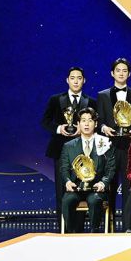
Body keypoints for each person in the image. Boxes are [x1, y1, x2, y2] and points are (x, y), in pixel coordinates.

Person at [41, 67, 96, 223]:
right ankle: (63, 227)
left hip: (84, 151)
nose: (76, 81)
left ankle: (78, 228)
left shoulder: (91, 101)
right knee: (62, 189)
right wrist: (60, 128)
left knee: (81, 188)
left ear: (84, 80)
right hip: (61, 150)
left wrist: (83, 129)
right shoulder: (55, 99)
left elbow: (96, 125)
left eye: (79, 78)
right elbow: (45, 121)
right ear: (67, 80)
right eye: (72, 78)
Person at [96, 58, 131, 226]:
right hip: (109, 147)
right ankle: (107, 227)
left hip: (130, 147)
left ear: (129, 74)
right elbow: (99, 120)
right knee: (108, 186)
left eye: (125, 70)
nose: (121, 73)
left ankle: (128, 227)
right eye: (118, 70)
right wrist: (104, 128)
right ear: (112, 73)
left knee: (129, 188)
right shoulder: (102, 95)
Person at [60, 108, 116, 233]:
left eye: (90, 120)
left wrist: (103, 183)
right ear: (78, 124)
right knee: (67, 200)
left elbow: (111, 168)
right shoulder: (68, 146)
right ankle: (70, 235)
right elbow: (64, 168)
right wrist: (68, 181)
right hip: (76, 188)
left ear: (95, 124)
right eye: (83, 120)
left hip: (96, 188)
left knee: (94, 200)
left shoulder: (105, 143)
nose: (86, 124)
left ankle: (94, 233)